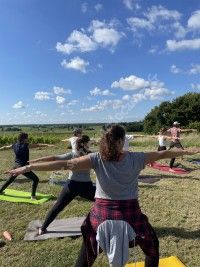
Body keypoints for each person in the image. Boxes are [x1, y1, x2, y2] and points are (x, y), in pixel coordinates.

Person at [6, 125, 200, 267]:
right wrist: (188, 150)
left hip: (100, 216)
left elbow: (61, 164)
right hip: (131, 216)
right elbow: (164, 155)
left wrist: (29, 167)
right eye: (123, 139)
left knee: (86, 256)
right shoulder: (137, 157)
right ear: (119, 141)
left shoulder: (96, 158)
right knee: (153, 247)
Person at [28, 135, 96, 234]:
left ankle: (42, 229)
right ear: (84, 144)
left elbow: (55, 158)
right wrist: (37, 160)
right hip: (83, 186)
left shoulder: (76, 154)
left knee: (57, 207)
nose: (90, 144)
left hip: (72, 186)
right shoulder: (90, 155)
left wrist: (37, 160)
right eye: (89, 142)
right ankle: (43, 228)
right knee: (103, 201)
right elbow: (55, 158)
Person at [0, 132, 54, 200]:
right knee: (36, 179)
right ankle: (33, 196)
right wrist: (48, 145)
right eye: (27, 138)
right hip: (23, 167)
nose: (27, 139)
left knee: (10, 180)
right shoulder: (26, 145)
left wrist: (0, 148)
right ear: (23, 139)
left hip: (16, 166)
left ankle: (0, 191)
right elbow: (38, 145)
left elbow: (5, 147)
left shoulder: (14, 145)